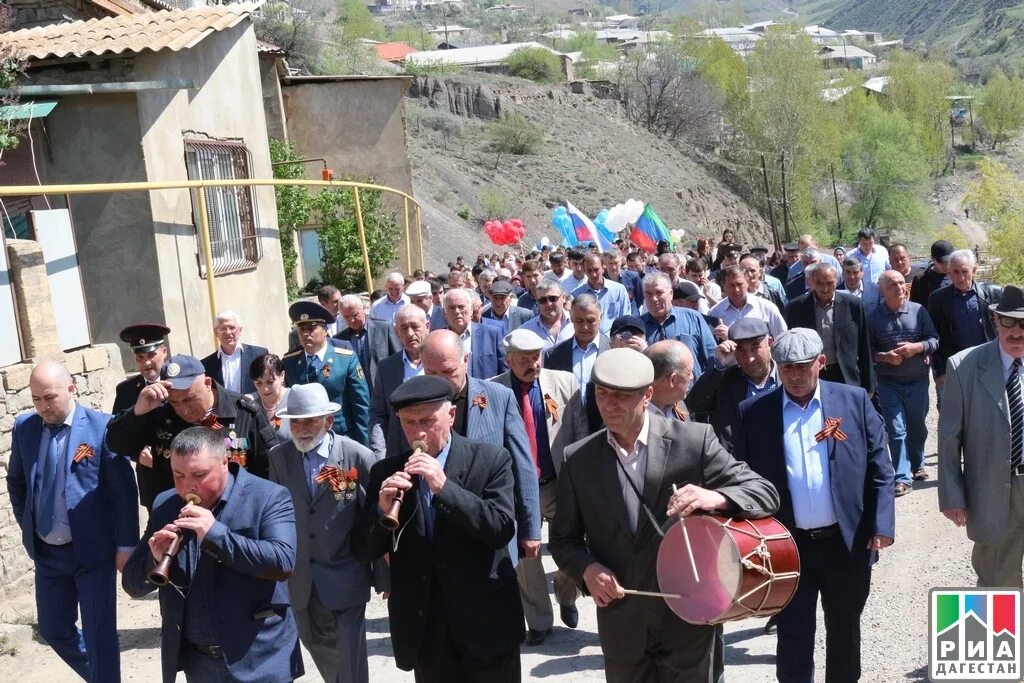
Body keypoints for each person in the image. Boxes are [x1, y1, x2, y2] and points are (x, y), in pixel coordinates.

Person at [549, 348, 779, 682]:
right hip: (622, 624)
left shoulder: (693, 442)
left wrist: (714, 497)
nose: (609, 405)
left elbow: (765, 493)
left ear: (647, 395)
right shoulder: (578, 459)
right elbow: (563, 540)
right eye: (602, 394)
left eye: (621, 396)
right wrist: (587, 569)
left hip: (688, 620)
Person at [734, 328, 895, 683]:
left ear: (821, 363)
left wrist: (881, 524)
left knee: (845, 626)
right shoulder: (754, 413)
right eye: (786, 367)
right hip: (786, 546)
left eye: (802, 367)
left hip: (846, 542)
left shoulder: (854, 401)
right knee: (793, 631)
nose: (793, 375)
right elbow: (743, 481)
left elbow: (880, 468)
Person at [351, 376, 524, 681]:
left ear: (451, 416)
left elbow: (500, 529)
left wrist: (444, 487)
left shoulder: (490, 459)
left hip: (485, 623)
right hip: (426, 629)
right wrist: (380, 510)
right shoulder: (385, 471)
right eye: (408, 422)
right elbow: (363, 550)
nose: (418, 432)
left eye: (428, 421)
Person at [122, 427, 303, 682]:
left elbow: (282, 562)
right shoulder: (166, 504)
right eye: (178, 475)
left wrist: (215, 533)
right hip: (199, 664)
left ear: (224, 462)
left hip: (260, 659)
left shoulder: (267, 496)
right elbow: (131, 584)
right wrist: (155, 559)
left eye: (199, 475)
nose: (187, 487)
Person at [7, 361, 139, 682]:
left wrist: (126, 545)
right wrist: (32, 527)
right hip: (48, 554)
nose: (43, 407)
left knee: (100, 635)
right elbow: (18, 483)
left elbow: (124, 494)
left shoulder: (102, 428)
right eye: (36, 398)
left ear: (71, 388)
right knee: (53, 629)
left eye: (49, 397)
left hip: (92, 553)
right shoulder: (25, 428)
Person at [268, 384, 385, 683]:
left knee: (349, 658)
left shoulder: (356, 456)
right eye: (296, 421)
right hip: (302, 579)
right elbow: (277, 515)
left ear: (328, 421)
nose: (302, 429)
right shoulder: (279, 458)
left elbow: (376, 521)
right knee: (318, 646)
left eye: (310, 420)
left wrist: (385, 577)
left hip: (346, 576)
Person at [492, 330, 586, 645]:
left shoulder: (565, 383)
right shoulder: (493, 390)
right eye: (524, 360)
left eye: (536, 357)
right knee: (527, 558)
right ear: (509, 360)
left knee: (573, 548)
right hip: (518, 489)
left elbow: (581, 433)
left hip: (559, 482)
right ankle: (540, 622)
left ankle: (566, 593)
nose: (533, 364)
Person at [418, 331, 542, 561]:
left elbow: (523, 466)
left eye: (448, 372)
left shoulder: (498, 397)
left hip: (488, 523)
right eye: (431, 373)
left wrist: (531, 528)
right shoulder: (413, 403)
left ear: (466, 360)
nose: (440, 382)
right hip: (435, 528)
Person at [106, 354, 278, 508]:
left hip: (234, 517)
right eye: (175, 402)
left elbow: (270, 471)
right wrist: (137, 411)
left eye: (189, 399)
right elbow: (117, 444)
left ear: (207, 384)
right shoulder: (159, 413)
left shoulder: (244, 413)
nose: (184, 409)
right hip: (177, 518)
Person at [939, 285, 1024, 587]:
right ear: (996, 321)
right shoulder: (964, 366)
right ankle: (1000, 635)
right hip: (992, 489)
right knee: (997, 577)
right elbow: (949, 438)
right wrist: (951, 495)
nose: (1017, 332)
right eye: (1009, 322)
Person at [868, 270, 939, 495]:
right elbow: (867, 351)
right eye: (892, 285)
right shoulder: (873, 317)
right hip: (889, 384)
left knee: (917, 427)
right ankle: (902, 477)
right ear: (882, 290)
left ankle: (918, 464)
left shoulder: (919, 311)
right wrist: (884, 357)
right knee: (896, 430)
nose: (899, 288)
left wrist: (917, 348)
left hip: (917, 381)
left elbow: (934, 340)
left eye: (901, 283)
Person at [282, 301, 371, 445]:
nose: (305, 334)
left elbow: (361, 405)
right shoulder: (290, 361)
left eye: (311, 329)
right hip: (305, 440)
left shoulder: (345, 358)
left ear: (325, 330)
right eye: (301, 329)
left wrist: (364, 445)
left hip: (340, 437)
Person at [686, 318, 778, 453]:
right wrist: (719, 365)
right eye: (741, 350)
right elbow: (693, 404)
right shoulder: (725, 379)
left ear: (770, 343)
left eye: (755, 348)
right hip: (737, 466)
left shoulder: (787, 378)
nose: (750, 358)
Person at [927, 249, 1003, 407]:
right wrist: (940, 370)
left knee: (991, 409)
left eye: (965, 271)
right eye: (955, 272)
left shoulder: (994, 293)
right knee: (953, 411)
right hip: (956, 363)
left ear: (974, 271)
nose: (960, 277)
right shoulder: (938, 299)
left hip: (990, 361)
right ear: (948, 273)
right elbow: (933, 335)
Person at [785, 262, 876, 395]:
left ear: (837, 281)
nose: (825, 289)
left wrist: (869, 386)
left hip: (845, 375)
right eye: (820, 283)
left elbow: (864, 346)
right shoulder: (796, 308)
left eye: (829, 283)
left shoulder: (852, 305)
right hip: (812, 374)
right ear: (811, 282)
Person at [370, 304, 430, 459]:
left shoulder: (440, 360)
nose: (410, 334)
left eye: (415, 327)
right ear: (397, 332)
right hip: (401, 453)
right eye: (403, 328)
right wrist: (380, 453)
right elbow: (378, 414)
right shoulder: (386, 368)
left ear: (427, 326)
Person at [544, 293, 609, 433]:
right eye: (579, 321)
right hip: (566, 429)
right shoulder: (554, 355)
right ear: (571, 319)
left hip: (605, 428)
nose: (585, 327)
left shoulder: (614, 350)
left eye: (590, 321)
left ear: (601, 318)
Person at [640, 272, 716, 377]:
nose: (654, 299)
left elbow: (712, 357)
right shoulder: (638, 326)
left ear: (671, 294)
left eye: (659, 292)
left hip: (692, 391)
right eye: (649, 294)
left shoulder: (693, 318)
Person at [440, 288, 506, 379]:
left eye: (461, 307)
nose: (457, 311)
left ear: (471, 310)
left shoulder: (492, 334)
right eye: (452, 308)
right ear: (444, 313)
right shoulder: (438, 339)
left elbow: (505, 372)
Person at [335, 294, 400, 387]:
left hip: (384, 388)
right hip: (356, 393)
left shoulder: (384, 328)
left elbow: (398, 358)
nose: (352, 320)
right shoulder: (339, 339)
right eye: (346, 317)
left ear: (363, 309)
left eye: (354, 315)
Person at [200, 311, 268, 395]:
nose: (228, 332)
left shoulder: (259, 355)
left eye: (232, 327)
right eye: (222, 328)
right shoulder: (206, 364)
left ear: (240, 330)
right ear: (216, 333)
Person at [709, 265, 787, 338]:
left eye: (740, 284)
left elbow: (782, 338)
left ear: (747, 282)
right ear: (723, 286)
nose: (736, 290)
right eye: (731, 285)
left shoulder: (767, 308)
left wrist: (730, 335)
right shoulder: (715, 313)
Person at [113, 323, 171, 413]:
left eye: (151, 355)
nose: (146, 363)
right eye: (140, 357)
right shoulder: (125, 390)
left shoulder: (177, 382)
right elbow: (115, 425)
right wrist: (136, 411)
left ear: (164, 352)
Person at [571, 254, 630, 334]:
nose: (593, 274)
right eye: (589, 270)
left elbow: (625, 318)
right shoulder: (577, 294)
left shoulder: (618, 290)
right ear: (584, 271)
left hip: (614, 340)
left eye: (596, 270)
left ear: (603, 268)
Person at [518, 279, 574, 349]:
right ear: (537, 301)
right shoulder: (526, 331)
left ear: (563, 298)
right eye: (542, 300)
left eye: (553, 298)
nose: (548, 304)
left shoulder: (577, 323)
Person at [644, 340, 694, 419]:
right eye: (689, 372)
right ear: (672, 380)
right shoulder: (633, 416)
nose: (692, 377)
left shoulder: (680, 406)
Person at [248, 353, 291, 439]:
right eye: (259, 383)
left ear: (282, 376)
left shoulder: (294, 399)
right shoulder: (250, 405)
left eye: (270, 382)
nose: (265, 389)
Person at [846, 227, 889, 306]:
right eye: (864, 244)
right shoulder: (850, 256)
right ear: (859, 242)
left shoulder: (882, 251)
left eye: (871, 243)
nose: (868, 247)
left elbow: (889, 269)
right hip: (861, 299)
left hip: (882, 298)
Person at [910, 240, 953, 307]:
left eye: (949, 261)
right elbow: (914, 306)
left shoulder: (958, 275)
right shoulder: (921, 279)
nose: (946, 265)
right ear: (932, 259)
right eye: (941, 262)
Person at [603, 247, 643, 315]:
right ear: (605, 263)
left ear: (621, 261)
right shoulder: (601, 280)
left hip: (631, 316)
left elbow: (639, 298)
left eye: (616, 263)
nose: (613, 267)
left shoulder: (633, 277)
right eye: (610, 263)